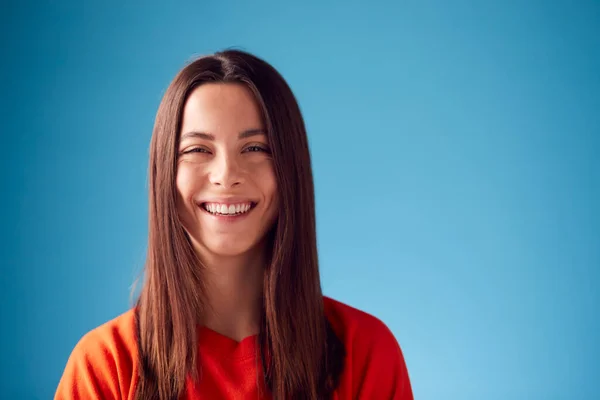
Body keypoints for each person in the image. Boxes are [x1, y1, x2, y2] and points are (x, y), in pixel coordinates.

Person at [55, 49, 413, 400]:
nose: (226, 176)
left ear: (291, 169)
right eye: (197, 150)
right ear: (164, 174)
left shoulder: (365, 352)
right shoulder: (103, 366)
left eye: (256, 148)